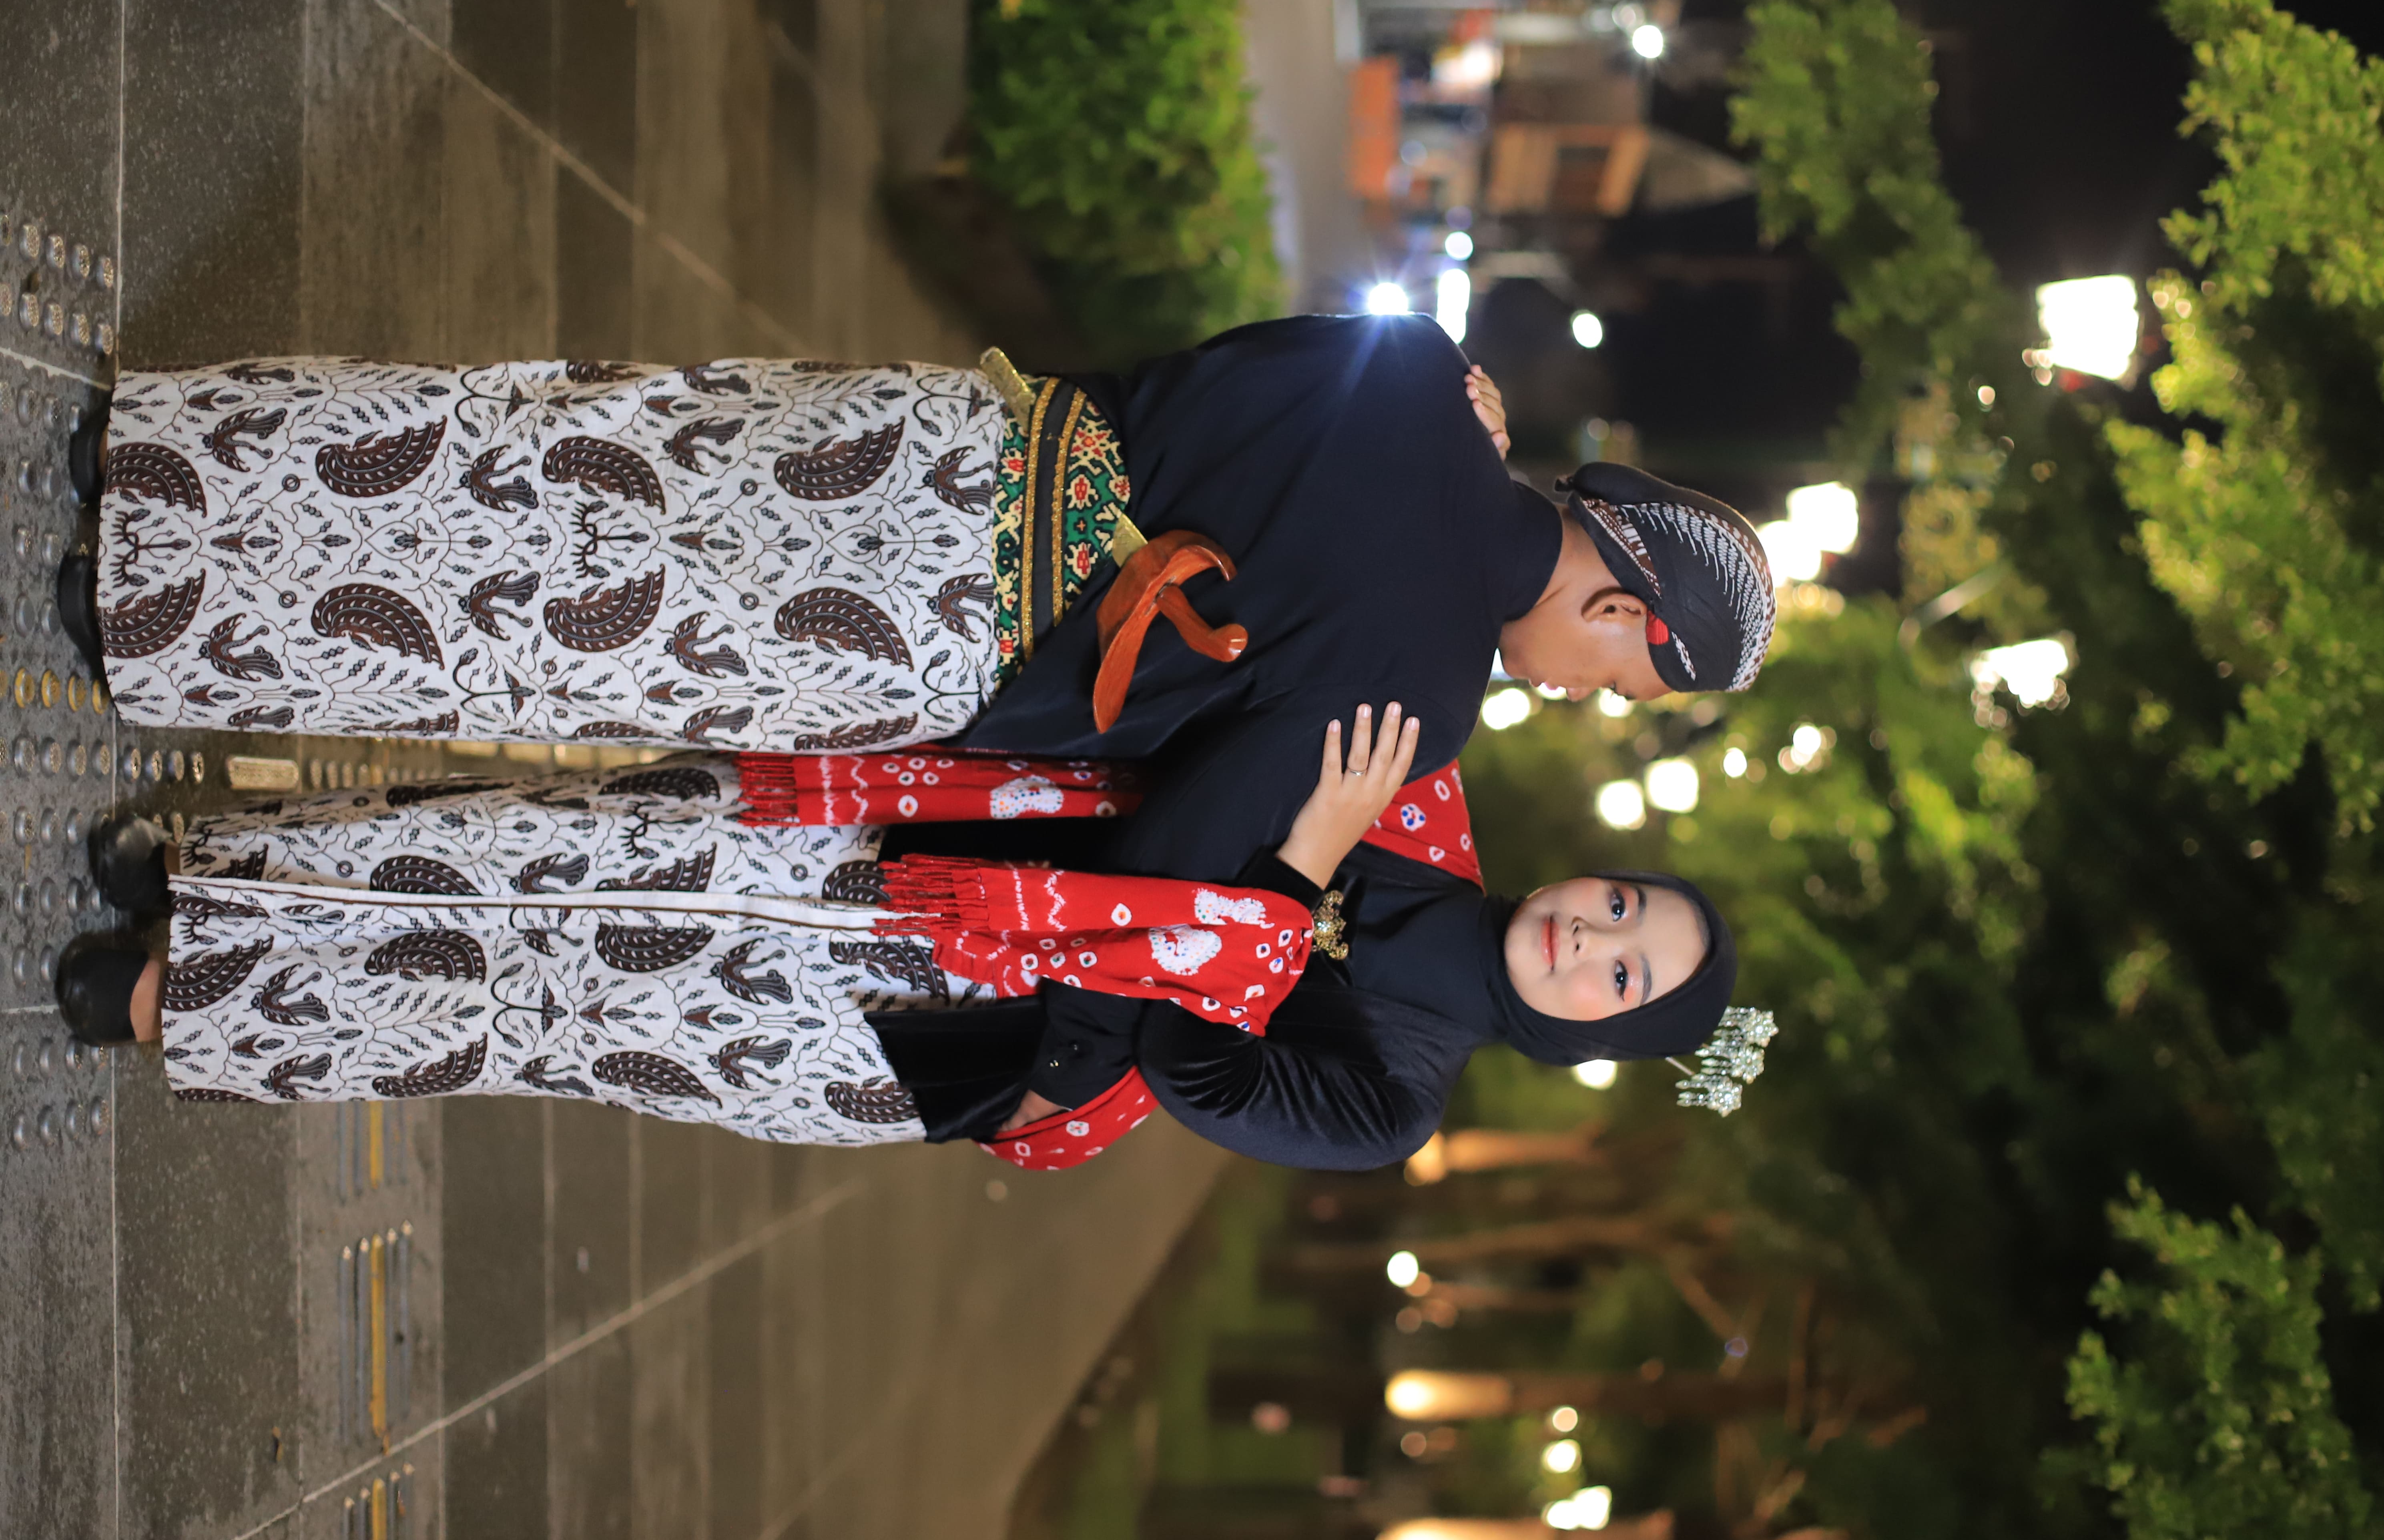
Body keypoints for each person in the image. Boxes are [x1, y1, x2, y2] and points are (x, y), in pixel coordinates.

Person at [62, 317, 1774, 866]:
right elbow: (1180, 839)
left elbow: (1175, 372)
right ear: (1628, 611)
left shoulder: (1414, 370)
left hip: (935, 446)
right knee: (552, 641)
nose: (1576, 694)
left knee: (553, 449)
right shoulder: (1428, 699)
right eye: (1613, 681)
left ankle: (161, 465)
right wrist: (1310, 854)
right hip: (934, 635)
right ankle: (154, 614)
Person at [54, 708, 1749, 1170]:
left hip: (939, 1025)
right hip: (933, 834)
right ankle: (231, 889)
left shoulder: (1394, 1099)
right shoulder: (1427, 798)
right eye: (1623, 904)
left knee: (555, 1009)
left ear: (1599, 1032)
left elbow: (1195, 1064)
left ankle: (192, 1001)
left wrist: (1295, 872)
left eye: (1626, 976)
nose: (1590, 938)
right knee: (564, 839)